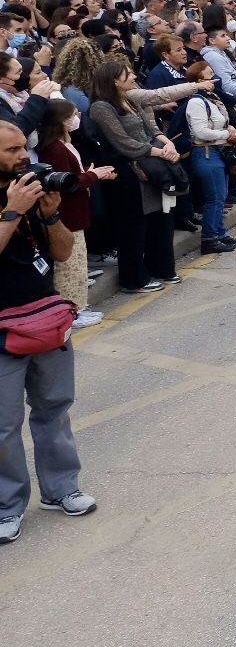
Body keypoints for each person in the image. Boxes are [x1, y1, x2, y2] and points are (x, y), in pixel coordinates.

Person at [0, 118, 93, 546]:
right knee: (3, 425)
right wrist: (12, 212)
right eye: (11, 150)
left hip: (45, 317)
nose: (23, 156)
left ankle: (62, 489)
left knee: (55, 408)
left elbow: (61, 252)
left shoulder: (31, 188)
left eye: (23, 147)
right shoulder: (15, 200)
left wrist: (50, 215)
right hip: (3, 329)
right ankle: (7, 506)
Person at [86, 59, 205, 294]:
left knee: (160, 221)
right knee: (133, 228)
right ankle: (134, 279)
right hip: (128, 173)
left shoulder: (130, 98)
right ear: (114, 81)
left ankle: (161, 268)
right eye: (127, 73)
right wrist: (159, 151)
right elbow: (123, 142)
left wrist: (167, 142)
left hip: (151, 168)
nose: (132, 76)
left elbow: (151, 128)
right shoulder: (101, 107)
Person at [34, 99, 115, 329]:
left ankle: (79, 305)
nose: (77, 118)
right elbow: (67, 182)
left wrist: (91, 174)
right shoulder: (54, 148)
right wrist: (93, 176)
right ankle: (73, 310)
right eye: (73, 115)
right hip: (67, 214)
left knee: (78, 263)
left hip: (77, 211)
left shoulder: (64, 142)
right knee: (70, 266)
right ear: (62, 121)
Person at [182, 60, 236, 256]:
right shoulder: (196, 101)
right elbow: (200, 132)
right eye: (211, 75)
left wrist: (229, 128)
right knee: (214, 199)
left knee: (220, 195)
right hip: (206, 153)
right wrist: (226, 135)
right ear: (200, 79)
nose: (215, 78)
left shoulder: (211, 98)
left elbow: (220, 122)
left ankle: (219, 232)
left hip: (217, 151)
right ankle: (209, 239)